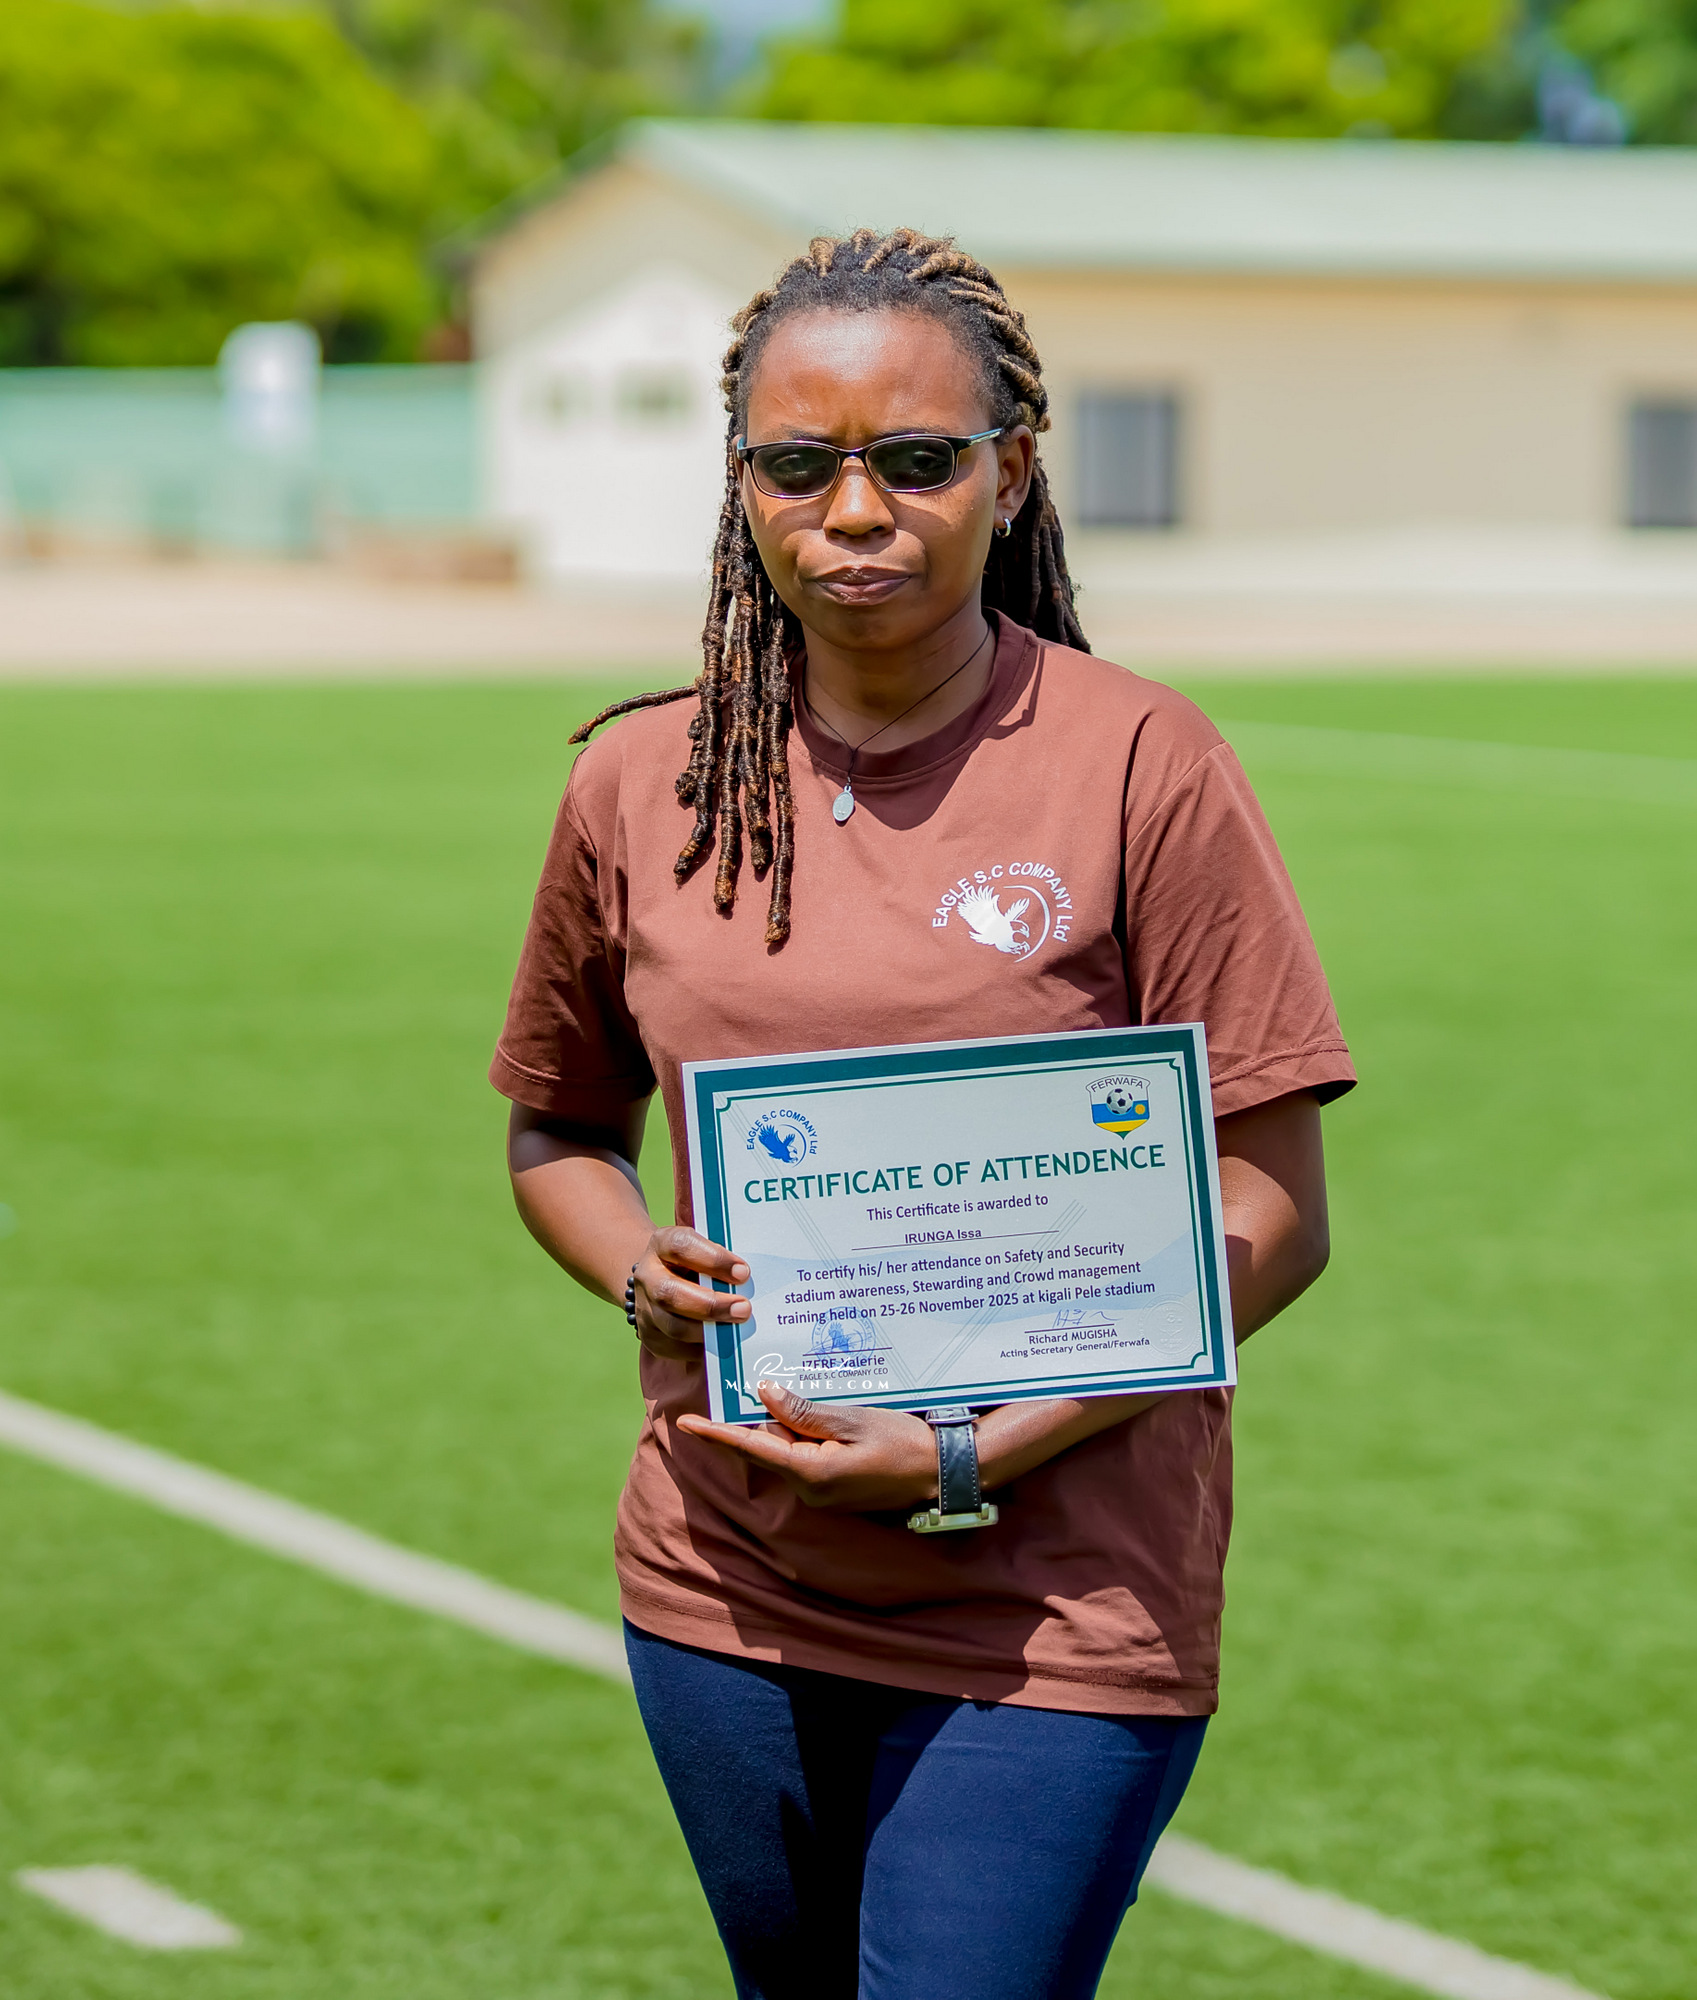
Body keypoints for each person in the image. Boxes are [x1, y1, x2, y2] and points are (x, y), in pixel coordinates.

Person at [492, 227, 1354, 2000]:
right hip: (726, 1581)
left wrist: (975, 1451)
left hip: (1057, 1600)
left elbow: (1271, 1213)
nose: (854, 510)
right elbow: (560, 1130)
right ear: (741, 486)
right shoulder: (638, 779)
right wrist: (638, 1271)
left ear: (1008, 473)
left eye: (915, 459)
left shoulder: (1144, 759)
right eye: (795, 465)